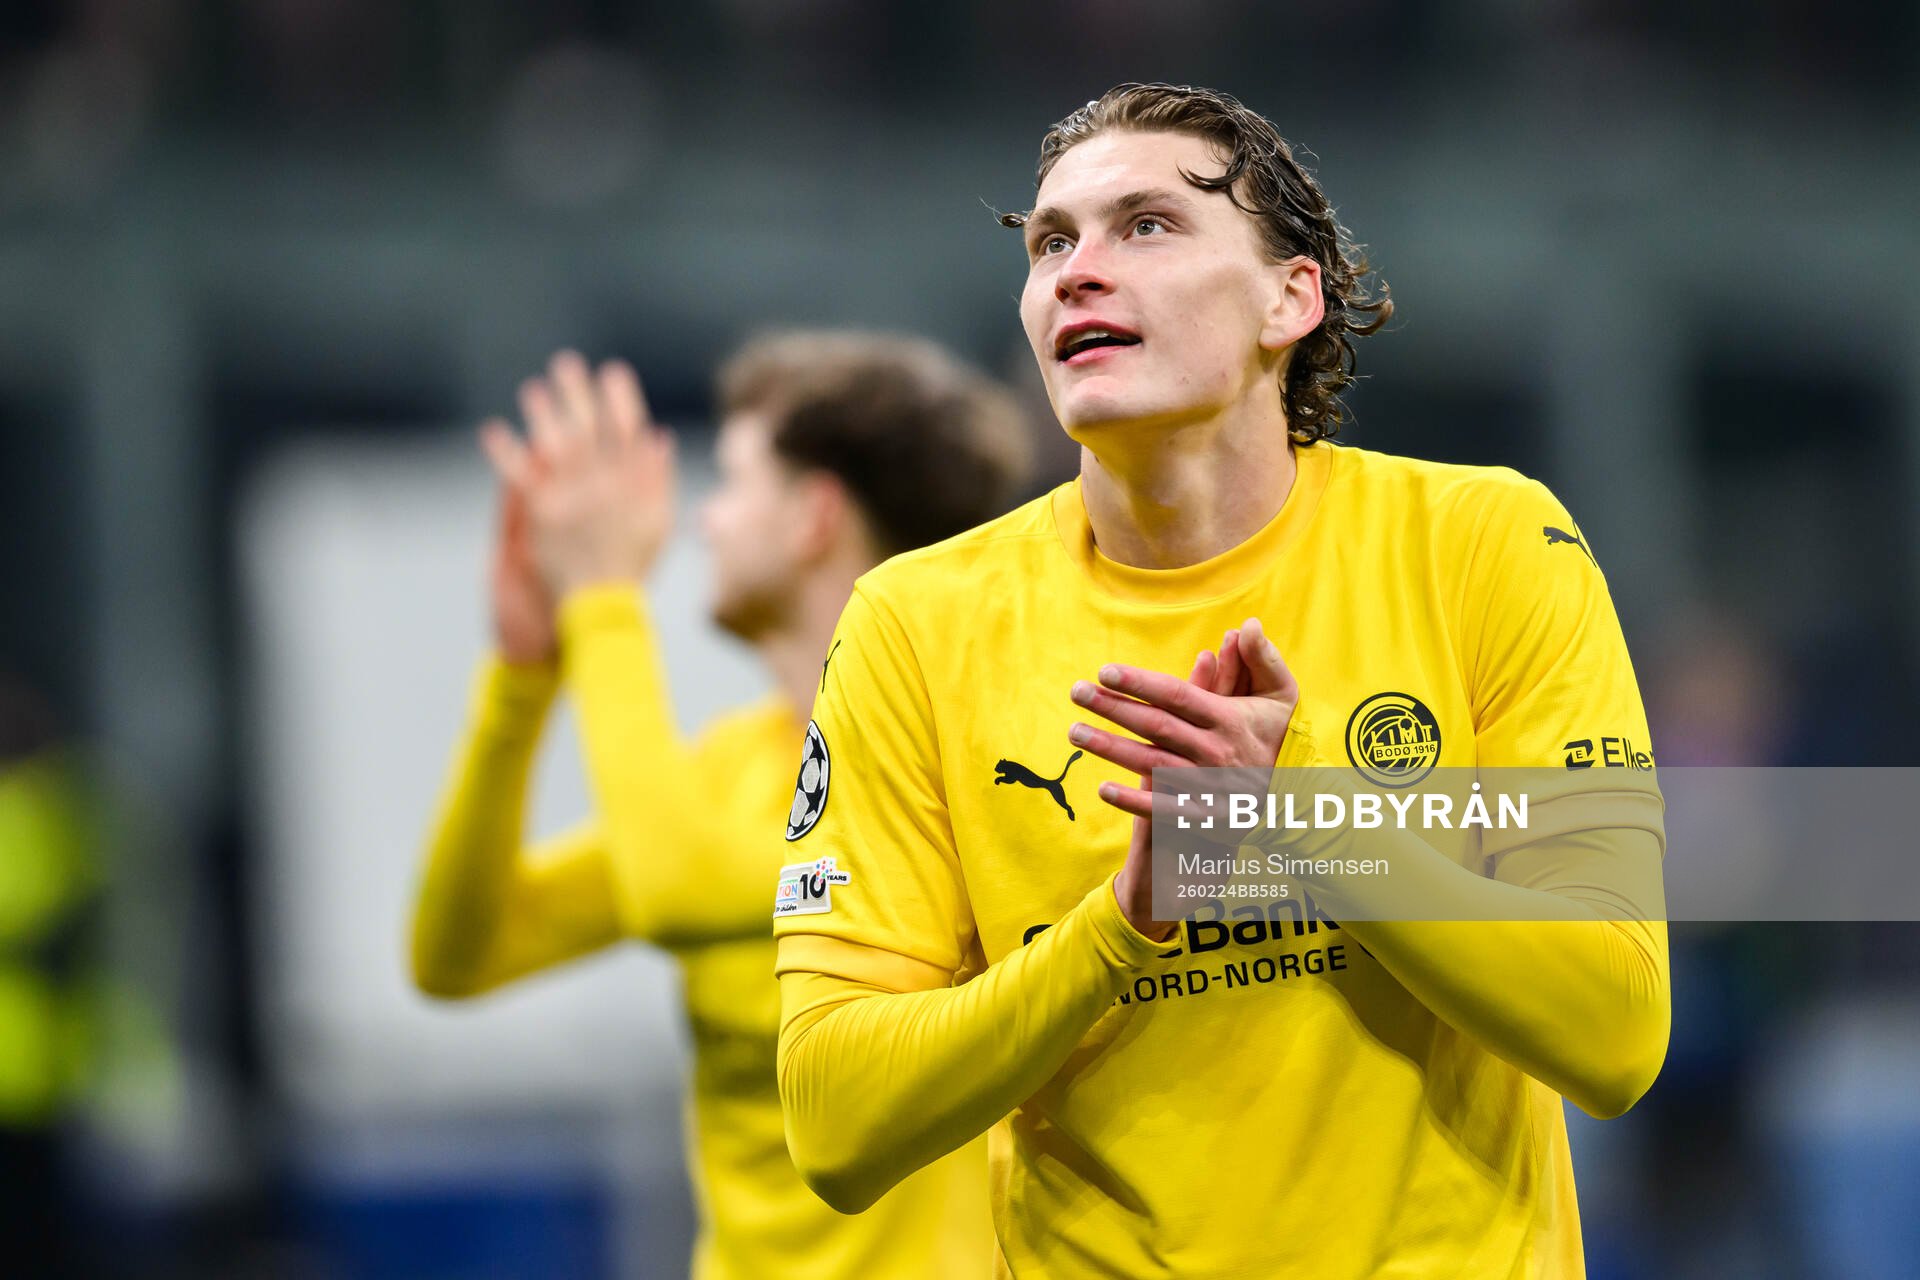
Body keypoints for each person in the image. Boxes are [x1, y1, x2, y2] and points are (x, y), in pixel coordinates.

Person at [773, 83, 1671, 1277]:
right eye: (1051, 243)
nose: (1077, 273)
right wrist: (1121, 928)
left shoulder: (1483, 545)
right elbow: (832, 1120)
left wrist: (1303, 820)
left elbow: (1615, 1031)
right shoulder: (916, 622)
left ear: (1289, 298)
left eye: (1147, 225)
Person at [410, 334, 1030, 1279]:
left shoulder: (963, 764)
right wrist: (523, 677)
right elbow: (460, 954)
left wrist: (603, 599)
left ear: (814, 517)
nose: (705, 519)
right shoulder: (731, 769)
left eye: (734, 483)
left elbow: (678, 885)